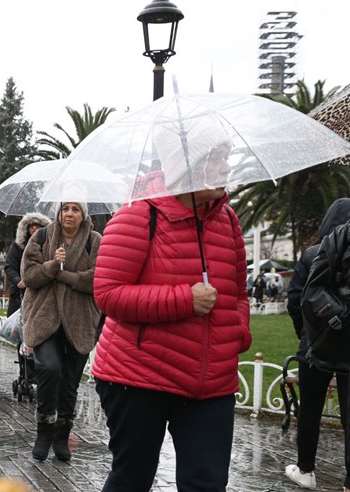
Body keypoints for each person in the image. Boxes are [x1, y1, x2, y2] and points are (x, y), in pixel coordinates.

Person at [91, 137, 250, 490]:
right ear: (187, 165)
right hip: (139, 376)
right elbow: (108, 294)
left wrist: (238, 333)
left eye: (226, 158)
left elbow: (239, 292)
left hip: (213, 383)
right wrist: (184, 300)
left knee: (207, 483)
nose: (226, 167)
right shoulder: (138, 214)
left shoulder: (228, 220)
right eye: (216, 158)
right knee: (133, 479)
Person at [21, 202, 102, 462]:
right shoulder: (42, 237)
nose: (69, 214)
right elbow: (28, 276)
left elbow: (98, 278)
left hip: (79, 319)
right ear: (58, 212)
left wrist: (67, 276)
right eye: (65, 208)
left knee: (69, 381)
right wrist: (53, 265)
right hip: (44, 317)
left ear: (83, 215)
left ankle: (62, 434)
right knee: (50, 368)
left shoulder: (94, 241)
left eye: (75, 209)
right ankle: (44, 430)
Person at [283, 198, 350, 490]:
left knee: (309, 409)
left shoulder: (312, 254)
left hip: (315, 345)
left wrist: (307, 333)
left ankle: (306, 469)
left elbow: (296, 300)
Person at [5, 212, 50, 318]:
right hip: (19, 293)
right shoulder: (17, 246)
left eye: (37, 225)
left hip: (42, 293)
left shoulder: (48, 247)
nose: (34, 228)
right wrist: (18, 280)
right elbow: (10, 266)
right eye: (31, 225)